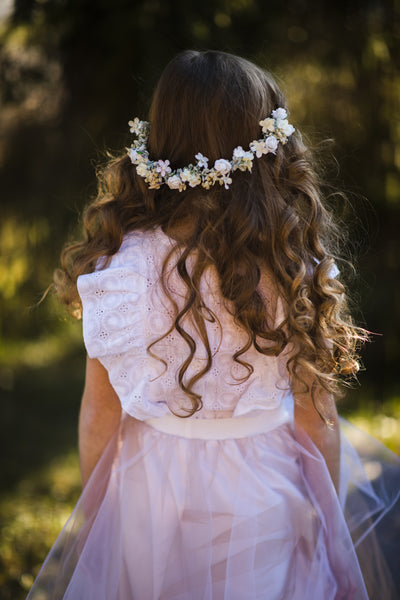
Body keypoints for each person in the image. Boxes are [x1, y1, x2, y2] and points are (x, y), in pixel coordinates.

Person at [27, 50, 399, 600]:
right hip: (262, 491)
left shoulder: (119, 268)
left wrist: (99, 514)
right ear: (267, 149)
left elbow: (99, 410)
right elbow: (316, 416)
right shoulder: (289, 265)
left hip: (151, 494)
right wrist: (327, 509)